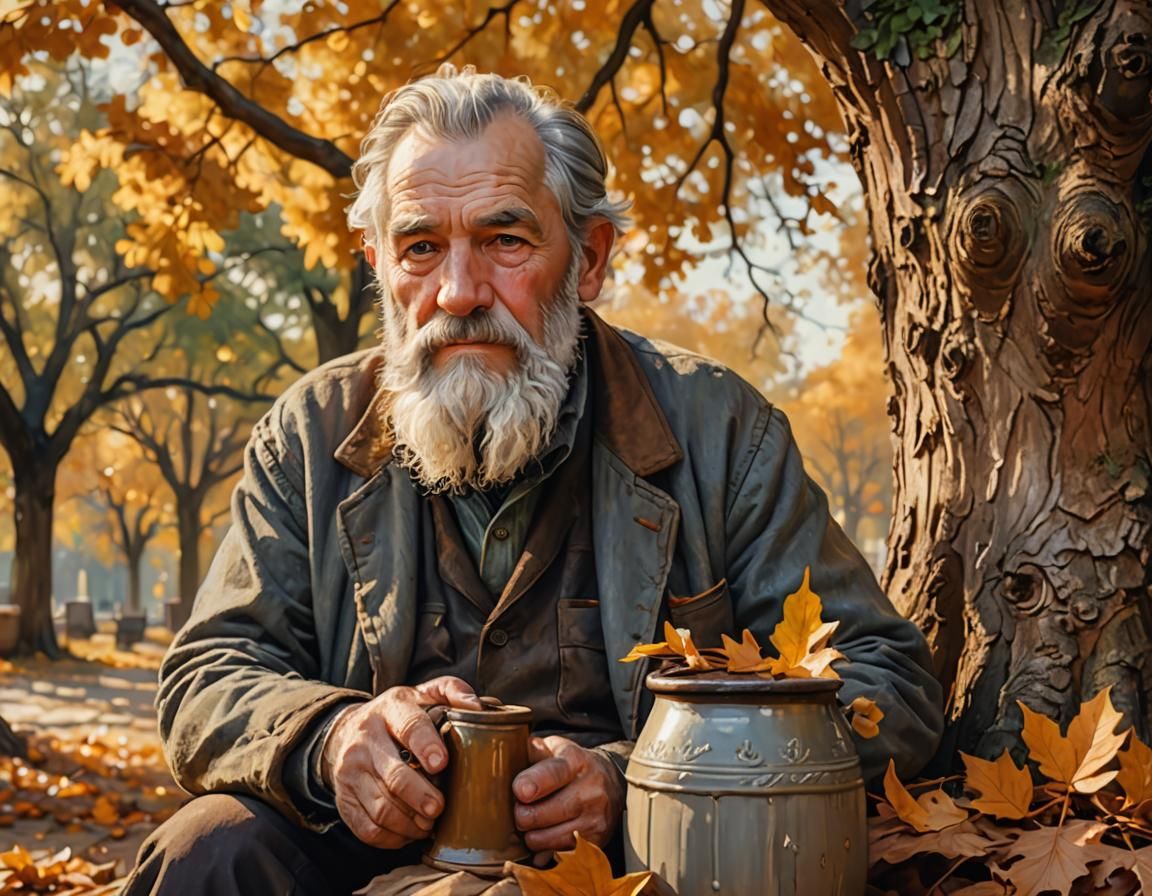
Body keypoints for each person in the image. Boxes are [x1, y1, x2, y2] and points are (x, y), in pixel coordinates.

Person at [123, 65, 943, 895]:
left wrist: (636, 777)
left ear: (587, 259)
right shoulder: (309, 435)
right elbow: (209, 673)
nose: (458, 292)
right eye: (419, 247)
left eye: (504, 241)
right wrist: (331, 738)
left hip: (632, 870)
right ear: (379, 266)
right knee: (207, 852)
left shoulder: (720, 430)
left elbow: (887, 683)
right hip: (359, 861)